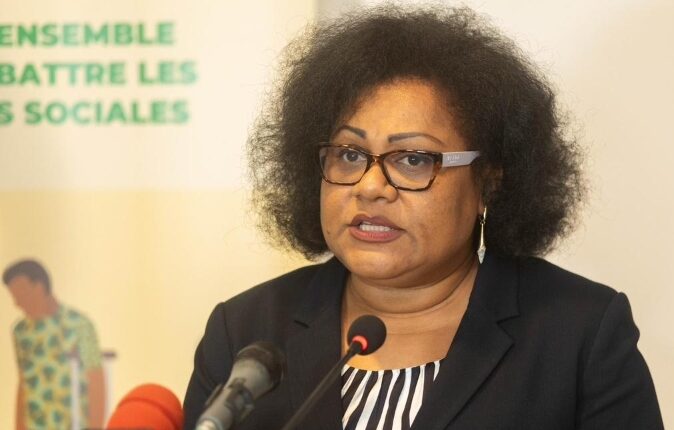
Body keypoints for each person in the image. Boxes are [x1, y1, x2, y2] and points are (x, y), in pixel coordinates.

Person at [183, 5, 663, 429]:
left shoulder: (578, 333)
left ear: (488, 183)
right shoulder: (246, 332)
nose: (370, 187)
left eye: (413, 159)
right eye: (349, 155)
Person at [3, 259, 105, 430]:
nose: (17, 303)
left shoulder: (80, 325)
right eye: (15, 297)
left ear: (39, 287)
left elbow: (95, 380)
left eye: (21, 295)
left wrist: (95, 427)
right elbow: (23, 383)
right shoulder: (21, 332)